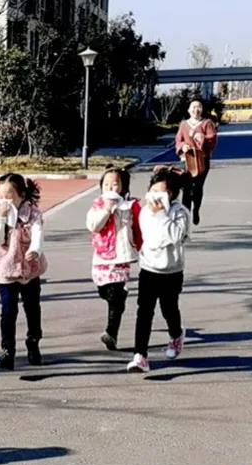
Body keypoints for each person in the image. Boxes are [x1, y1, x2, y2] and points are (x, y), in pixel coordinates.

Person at [127, 167, 190, 373]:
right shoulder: (146, 211)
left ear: (171, 194)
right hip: (149, 268)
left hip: (172, 271)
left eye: (161, 193)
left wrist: (162, 214)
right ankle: (140, 356)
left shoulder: (180, 213)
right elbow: (151, 238)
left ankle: (176, 334)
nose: (155, 197)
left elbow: (175, 236)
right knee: (144, 312)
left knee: (169, 308)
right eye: (152, 191)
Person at [0, 173, 46, 370]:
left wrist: (35, 249)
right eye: (0, 196)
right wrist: (1, 219)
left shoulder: (33, 214)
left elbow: (38, 234)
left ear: (21, 195)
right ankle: (7, 351)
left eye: (9, 195)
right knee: (8, 311)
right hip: (6, 270)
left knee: (32, 308)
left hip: (29, 270)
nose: (4, 200)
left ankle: (33, 342)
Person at [86, 167, 142, 351]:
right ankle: (119, 296)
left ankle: (111, 333)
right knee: (104, 292)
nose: (110, 188)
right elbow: (93, 226)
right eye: (106, 184)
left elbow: (139, 227)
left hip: (121, 258)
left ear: (123, 187)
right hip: (102, 257)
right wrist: (107, 210)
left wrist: (141, 247)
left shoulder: (130, 206)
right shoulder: (97, 205)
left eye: (115, 184)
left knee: (115, 297)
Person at [174, 100, 218, 226]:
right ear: (189, 110)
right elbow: (178, 140)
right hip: (187, 161)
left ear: (202, 110)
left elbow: (212, 138)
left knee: (197, 187)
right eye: (193, 107)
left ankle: (196, 209)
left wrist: (200, 137)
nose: (196, 110)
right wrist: (183, 146)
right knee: (187, 188)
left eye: (199, 107)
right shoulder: (184, 124)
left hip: (202, 160)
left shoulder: (207, 123)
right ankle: (186, 216)